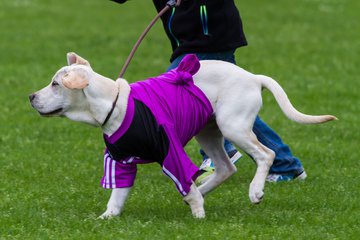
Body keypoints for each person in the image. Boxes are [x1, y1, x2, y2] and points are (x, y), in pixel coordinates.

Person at [110, 0, 307, 182]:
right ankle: (277, 163)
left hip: (210, 36)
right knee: (228, 103)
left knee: (165, 96)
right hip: (189, 42)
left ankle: (271, 162)